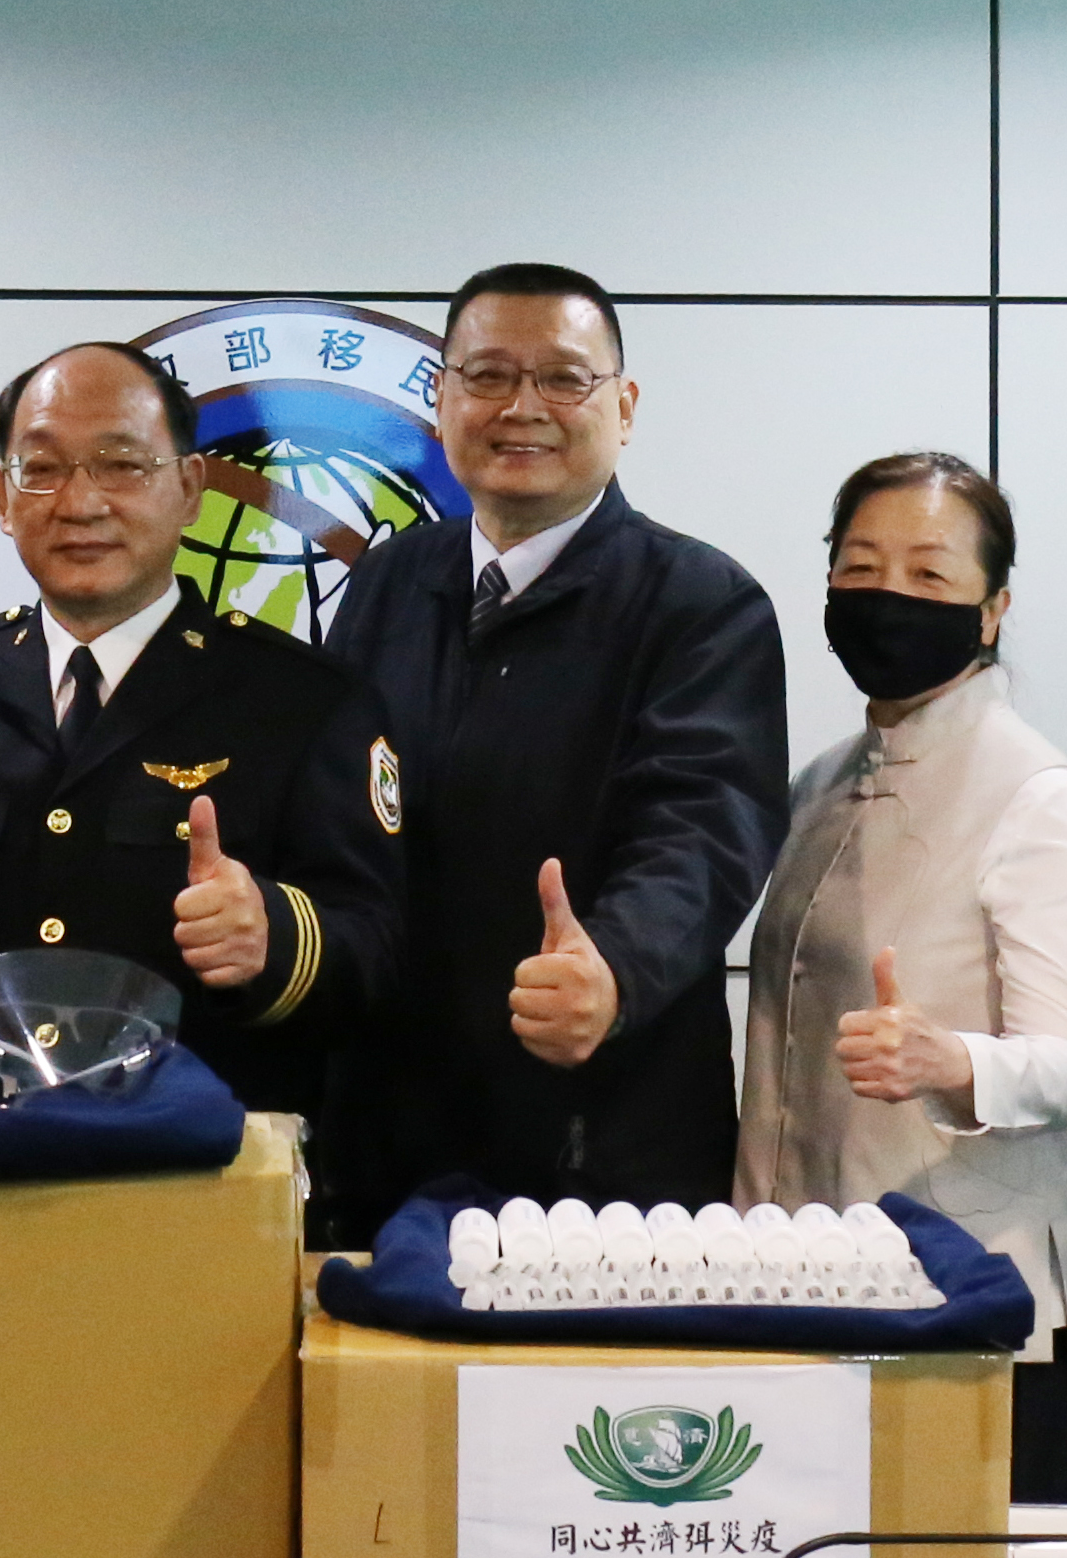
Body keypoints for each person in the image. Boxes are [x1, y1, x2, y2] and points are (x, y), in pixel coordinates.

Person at [324, 263, 784, 1241]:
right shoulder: (387, 584)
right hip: (387, 1145)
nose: (521, 407)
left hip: (602, 1153)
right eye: (487, 376)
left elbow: (706, 828)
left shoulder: (702, 604)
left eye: (564, 379)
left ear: (623, 405)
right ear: (441, 398)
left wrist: (613, 966)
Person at [0, 346, 401, 1116]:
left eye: (122, 466)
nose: (81, 503)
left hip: (197, 1178)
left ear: (189, 489)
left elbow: (382, 956)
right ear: (5, 495)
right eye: (44, 469)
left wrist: (273, 939)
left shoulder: (303, 704)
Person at [739, 454, 1067, 1501]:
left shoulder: (1038, 794)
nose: (888, 598)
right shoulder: (821, 781)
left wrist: (947, 1059)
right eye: (860, 567)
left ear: (992, 611)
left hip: (971, 1309)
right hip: (802, 1285)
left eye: (928, 574)